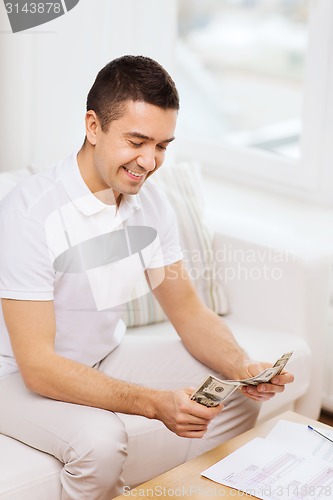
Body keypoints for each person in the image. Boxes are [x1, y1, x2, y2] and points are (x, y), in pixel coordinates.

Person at [0, 55, 294, 499]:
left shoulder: (150, 205)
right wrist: (154, 404)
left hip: (100, 354)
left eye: (161, 145)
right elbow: (38, 368)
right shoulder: (29, 213)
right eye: (137, 141)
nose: (149, 161)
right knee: (99, 444)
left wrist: (243, 368)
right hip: (13, 374)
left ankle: (185, 492)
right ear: (93, 127)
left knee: (225, 389)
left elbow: (190, 313)